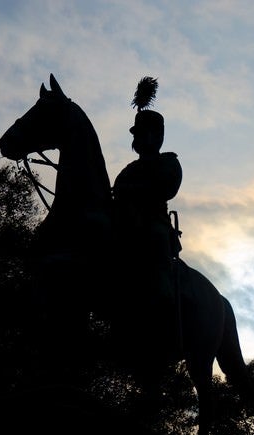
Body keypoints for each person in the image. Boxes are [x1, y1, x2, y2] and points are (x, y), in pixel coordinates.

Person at [112, 77, 182, 355]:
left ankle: (164, 291)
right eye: (135, 135)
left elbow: (167, 188)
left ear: (155, 136)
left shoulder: (169, 162)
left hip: (153, 223)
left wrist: (134, 191)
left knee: (153, 236)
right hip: (124, 223)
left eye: (140, 134)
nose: (136, 139)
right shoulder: (128, 169)